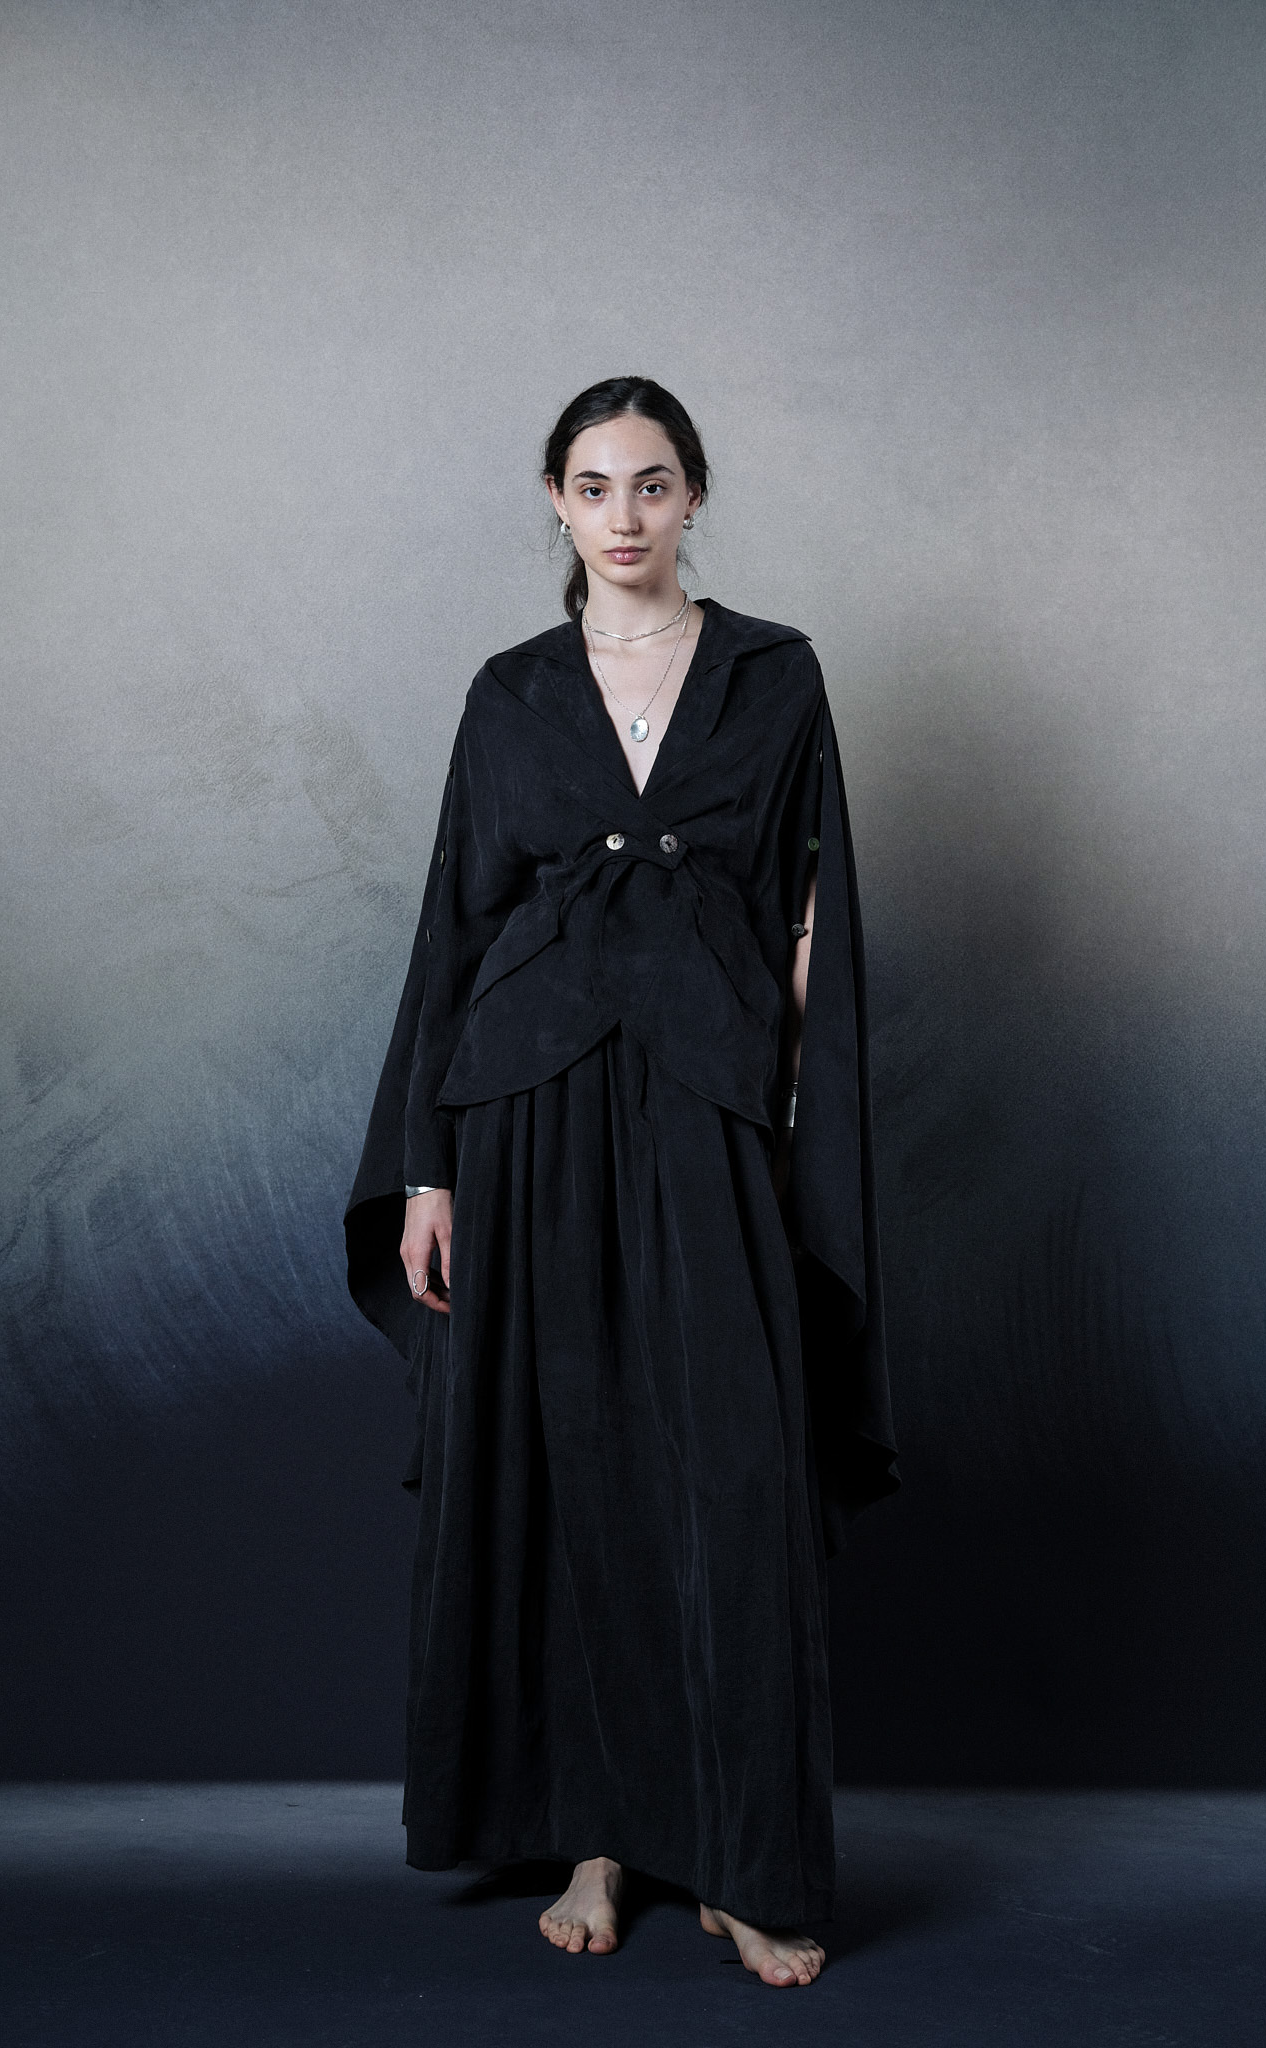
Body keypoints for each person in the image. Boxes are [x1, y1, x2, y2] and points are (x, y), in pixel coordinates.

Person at [344, 376, 898, 1987]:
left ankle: (739, 1857)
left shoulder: (773, 676)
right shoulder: (509, 692)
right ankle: (589, 1834)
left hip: (705, 1095)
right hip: (522, 1107)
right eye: (594, 487)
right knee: (566, 1458)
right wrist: (427, 1172)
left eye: (652, 483)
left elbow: (810, 911)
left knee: (725, 1468)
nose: (624, 515)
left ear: (693, 497)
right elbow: (455, 927)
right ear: (556, 502)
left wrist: (789, 1110)